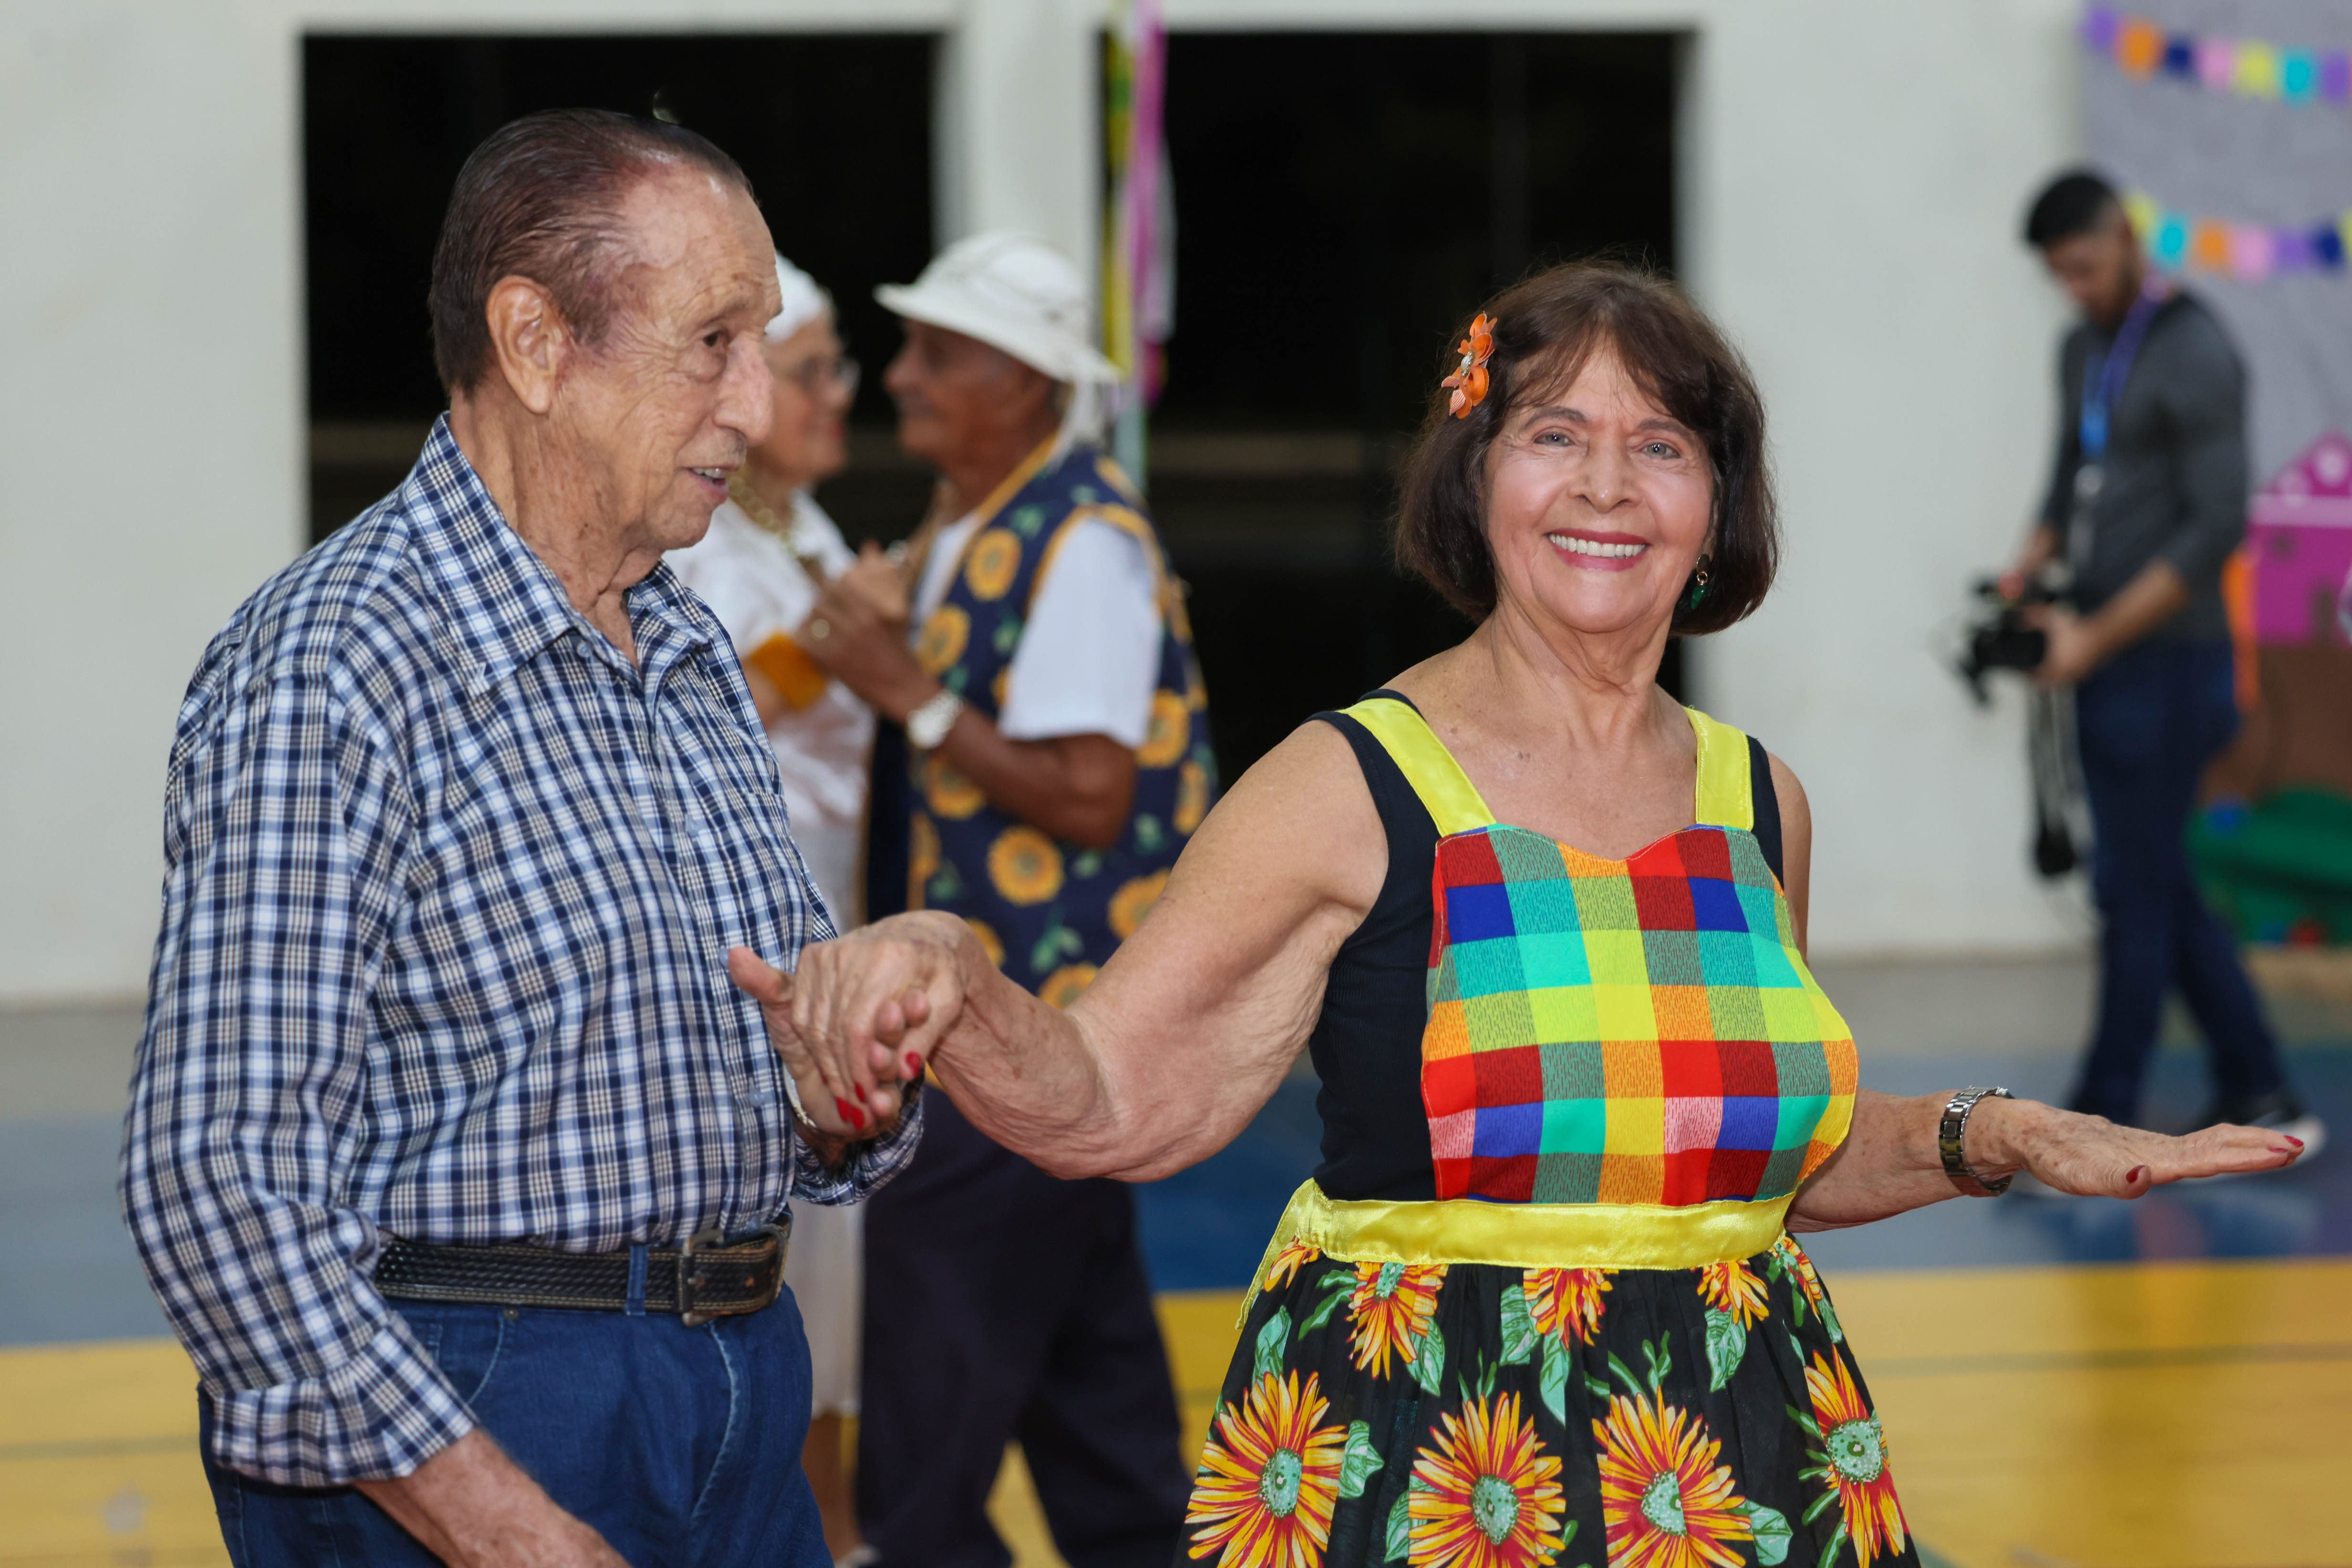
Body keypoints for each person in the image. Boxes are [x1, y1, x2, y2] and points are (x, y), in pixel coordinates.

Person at [732, 262, 2302, 1568]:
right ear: (1477, 475)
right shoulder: (1353, 780)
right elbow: (1112, 1095)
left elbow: (1753, 1150)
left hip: (1745, 1455)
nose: (1609, 486)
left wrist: (2001, 1133)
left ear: (1719, 504)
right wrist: (947, 958)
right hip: (1437, 1461)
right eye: (1556, 435)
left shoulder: (1760, 798)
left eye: (1665, 446)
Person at [120, 109, 919, 1568]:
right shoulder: (340, 662)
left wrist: (840, 1085)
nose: (754, 407)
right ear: (537, 342)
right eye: (714, 343)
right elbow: (217, 1177)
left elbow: (761, 1073)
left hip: (733, 1386)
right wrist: (496, 1525)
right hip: (471, 1414)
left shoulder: (678, 642)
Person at [793, 229, 1210, 1568]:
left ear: (1028, 385)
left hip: (1017, 1041)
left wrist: (905, 691)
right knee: (1101, 1423)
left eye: (937, 352)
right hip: (1032, 1041)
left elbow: (1090, 795)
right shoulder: (976, 519)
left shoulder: (1078, 540)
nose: (899, 377)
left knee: (918, 1469)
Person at [2005, 170, 2323, 1150]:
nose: (2078, 288)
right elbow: (2073, 475)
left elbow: (2215, 526)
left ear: (2127, 240)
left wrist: (2094, 637)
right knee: (2156, 883)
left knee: (2132, 895)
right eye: (2061, 275)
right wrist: (2030, 565)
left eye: (2088, 267)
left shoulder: (2193, 348)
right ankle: (2261, 1084)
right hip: (2103, 660)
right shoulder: (2080, 347)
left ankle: (2097, 1120)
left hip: (2170, 665)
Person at [664, 251, 875, 1567]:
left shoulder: (806, 527)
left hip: (835, 948)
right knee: (784, 1279)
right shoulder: (701, 546)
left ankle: (832, 1530)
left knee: (840, 1292)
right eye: (811, 373)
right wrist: (841, 641)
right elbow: (706, 710)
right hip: (753, 978)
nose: (833, 398)